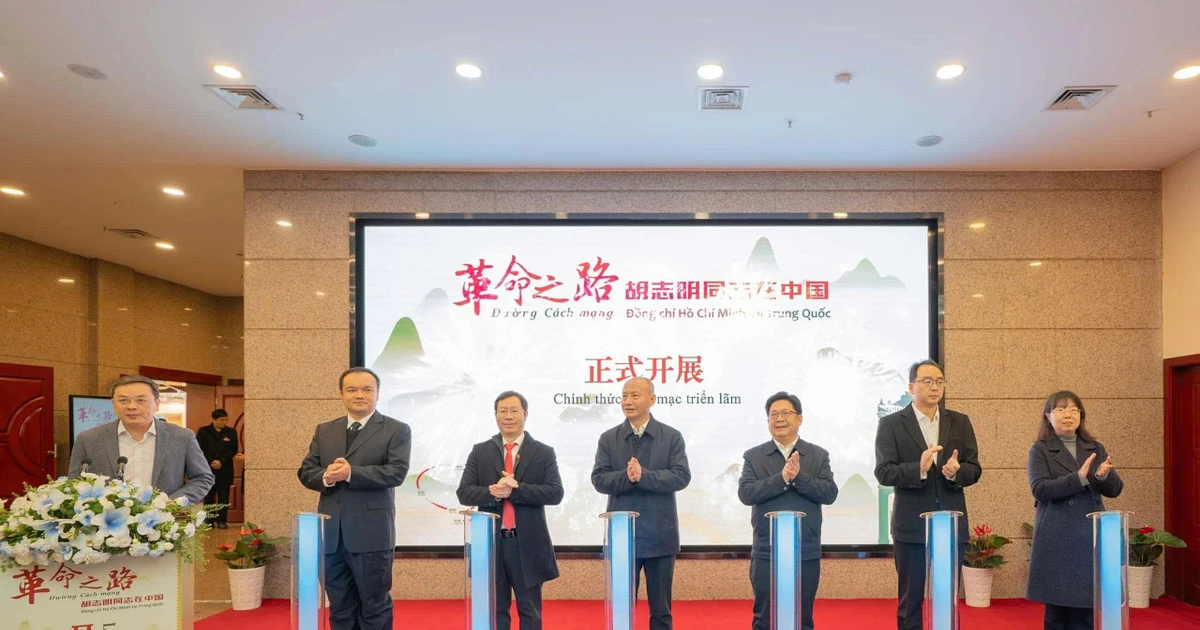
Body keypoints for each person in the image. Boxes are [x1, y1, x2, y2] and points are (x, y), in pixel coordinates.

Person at [297, 367, 411, 630]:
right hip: (331, 536)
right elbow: (306, 472)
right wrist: (326, 476)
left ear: (378, 394)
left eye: (367, 389)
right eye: (352, 389)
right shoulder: (325, 430)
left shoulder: (396, 429)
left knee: (374, 605)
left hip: (371, 535)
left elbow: (396, 472)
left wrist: (351, 473)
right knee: (339, 607)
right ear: (341, 394)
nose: (359, 394)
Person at [874, 360, 981, 630]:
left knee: (946, 597)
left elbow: (974, 468)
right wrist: (918, 470)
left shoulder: (959, 422)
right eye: (927, 381)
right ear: (911, 386)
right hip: (911, 526)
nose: (935, 387)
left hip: (950, 524)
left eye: (939, 381)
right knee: (910, 599)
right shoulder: (891, 424)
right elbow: (883, 472)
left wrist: (956, 472)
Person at [456, 391, 564, 630]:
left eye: (514, 411)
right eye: (502, 411)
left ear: (525, 414)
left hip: (526, 543)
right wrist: (494, 492)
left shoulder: (543, 452)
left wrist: (517, 491)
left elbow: (555, 493)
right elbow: (464, 493)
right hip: (490, 544)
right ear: (495, 415)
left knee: (529, 610)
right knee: (495, 610)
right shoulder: (480, 450)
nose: (508, 416)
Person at [591, 377, 691, 630]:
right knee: (622, 608)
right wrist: (627, 476)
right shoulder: (609, 438)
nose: (628, 401)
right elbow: (599, 479)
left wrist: (644, 476)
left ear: (652, 399)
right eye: (624, 396)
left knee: (661, 611)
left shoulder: (671, 437)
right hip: (623, 536)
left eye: (635, 395)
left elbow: (681, 476)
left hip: (660, 534)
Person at [739, 391, 838, 630]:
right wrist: (782, 478)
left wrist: (799, 477)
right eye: (773, 414)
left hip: (805, 549)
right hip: (766, 551)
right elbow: (746, 494)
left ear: (800, 419)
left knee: (802, 617)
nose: (779, 419)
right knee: (764, 617)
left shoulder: (817, 455)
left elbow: (829, 493)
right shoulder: (754, 456)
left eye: (785, 413)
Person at [1026, 390, 1122, 630]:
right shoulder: (1040, 450)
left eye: (1073, 409)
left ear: (1081, 415)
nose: (1067, 415)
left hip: (1089, 535)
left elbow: (1115, 489)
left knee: (1086, 610)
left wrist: (1102, 476)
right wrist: (1078, 478)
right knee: (1057, 611)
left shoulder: (1095, 447)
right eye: (1060, 409)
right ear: (1048, 416)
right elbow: (1039, 489)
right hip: (1057, 535)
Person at [68, 375, 214, 505]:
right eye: (123, 400)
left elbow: (203, 478)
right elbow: (74, 482)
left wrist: (173, 503)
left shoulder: (182, 437)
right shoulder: (88, 439)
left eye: (141, 400)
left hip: (164, 525)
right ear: (113, 404)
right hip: (106, 527)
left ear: (157, 404)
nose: (132, 406)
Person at [196, 408, 239, 529]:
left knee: (224, 497)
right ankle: (209, 519)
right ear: (214, 419)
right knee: (209, 496)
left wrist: (221, 461)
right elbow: (199, 448)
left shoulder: (231, 432)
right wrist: (211, 461)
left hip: (224, 469)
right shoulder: (203, 431)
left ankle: (222, 520)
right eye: (221, 420)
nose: (224, 422)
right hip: (208, 468)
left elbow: (232, 449)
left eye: (226, 419)